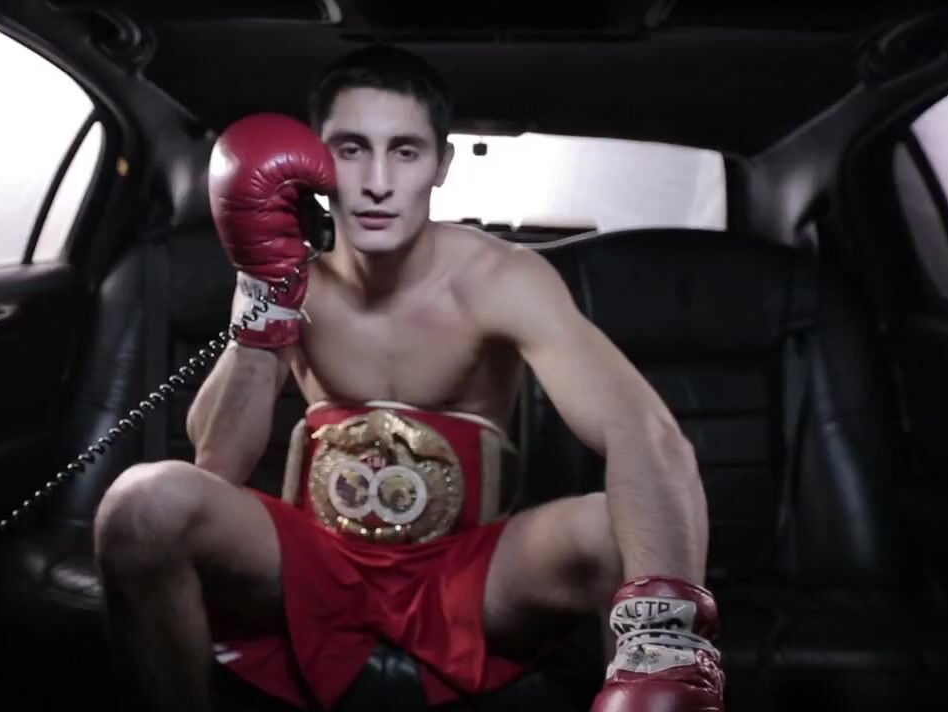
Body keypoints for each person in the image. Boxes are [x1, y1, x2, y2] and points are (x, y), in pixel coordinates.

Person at [93, 45, 724, 711]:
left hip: (470, 573)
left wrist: (666, 641)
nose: (377, 181)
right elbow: (217, 468)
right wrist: (262, 302)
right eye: (351, 149)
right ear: (314, 161)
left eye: (405, 151)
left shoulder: (501, 279)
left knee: (611, 530)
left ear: (441, 165)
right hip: (316, 561)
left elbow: (643, 432)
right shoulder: (287, 275)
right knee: (143, 503)